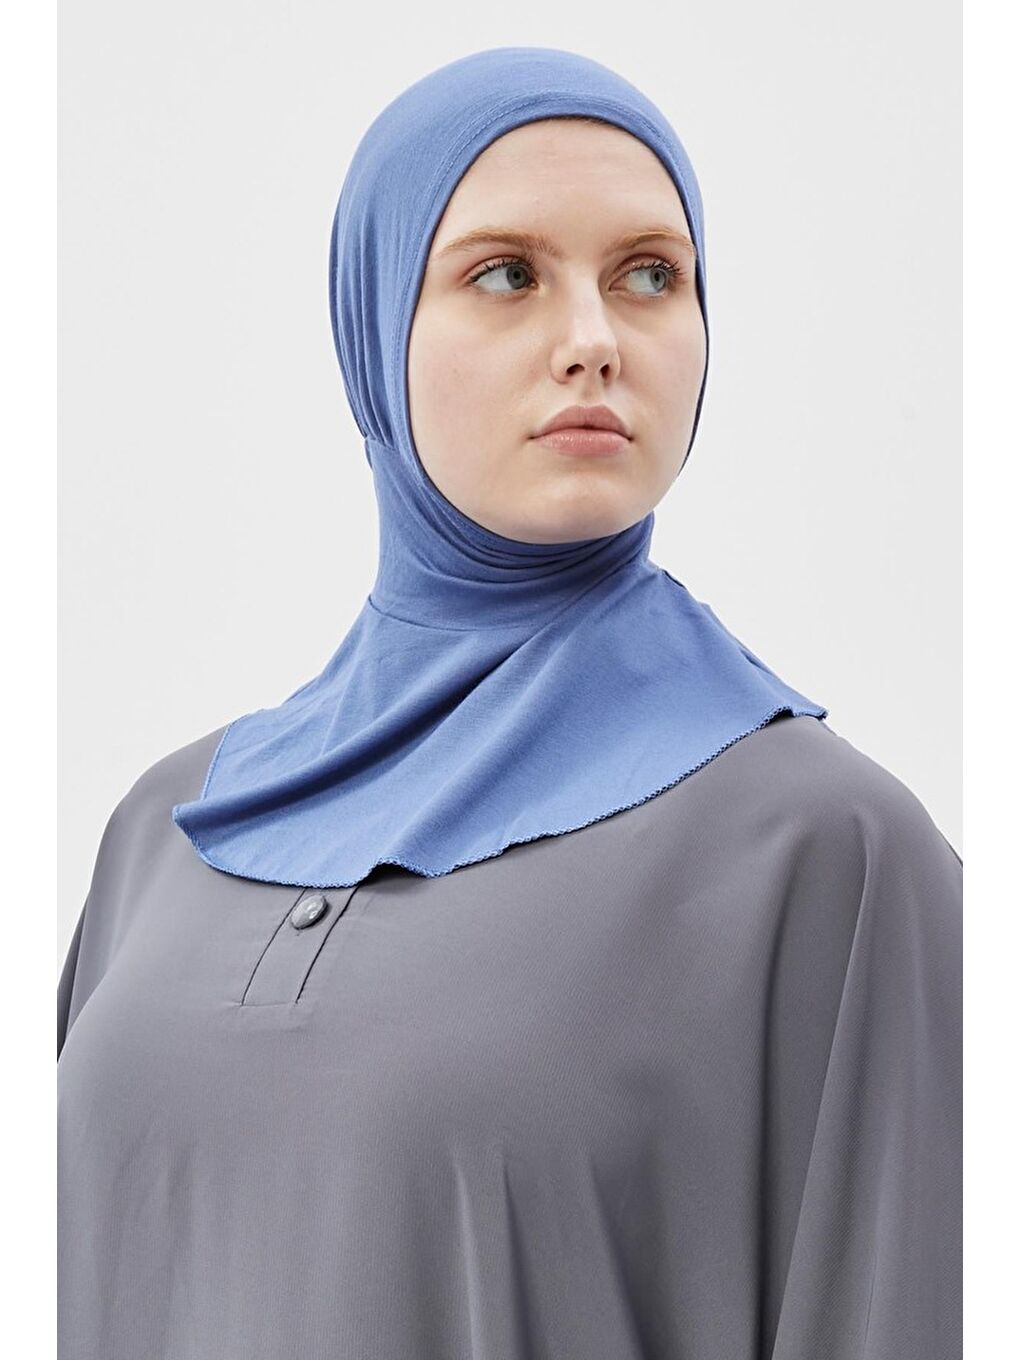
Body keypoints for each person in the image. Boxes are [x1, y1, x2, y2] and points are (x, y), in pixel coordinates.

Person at [57, 46, 962, 1360]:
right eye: (505, 275)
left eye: (649, 275)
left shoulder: (828, 851)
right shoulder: (171, 828)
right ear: (374, 326)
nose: (593, 341)